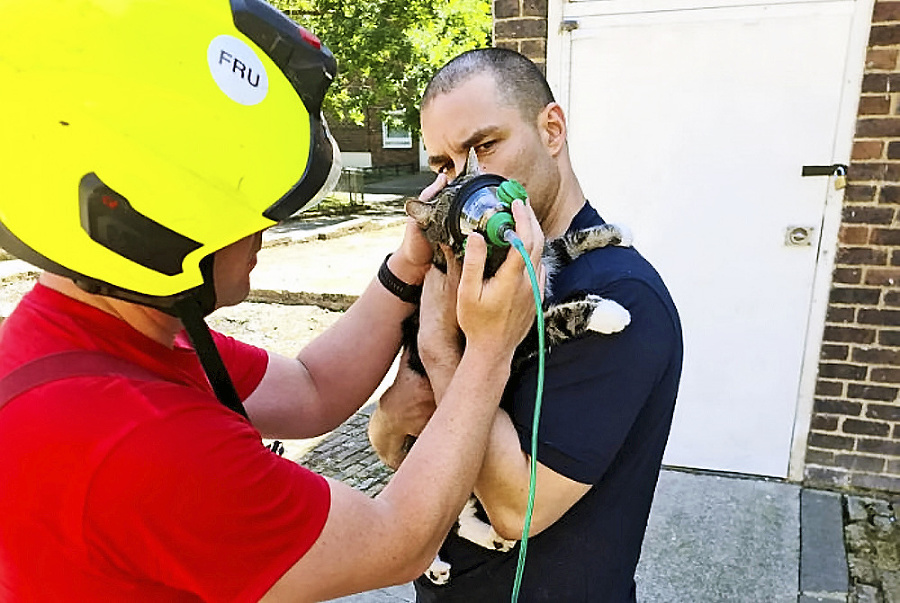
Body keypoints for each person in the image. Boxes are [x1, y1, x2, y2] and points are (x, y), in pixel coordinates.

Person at [0, 3, 546, 601]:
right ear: (157, 232)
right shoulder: (131, 439)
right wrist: (490, 351)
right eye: (250, 212)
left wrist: (406, 268)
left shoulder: (107, 331)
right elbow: (395, 542)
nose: (264, 235)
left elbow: (311, 390)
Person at [368, 48, 684, 602]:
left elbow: (517, 507)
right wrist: (391, 418)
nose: (466, 181)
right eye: (445, 166)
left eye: (484, 147)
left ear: (552, 129)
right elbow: (394, 441)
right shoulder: (468, 267)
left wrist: (444, 351)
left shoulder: (621, 295)